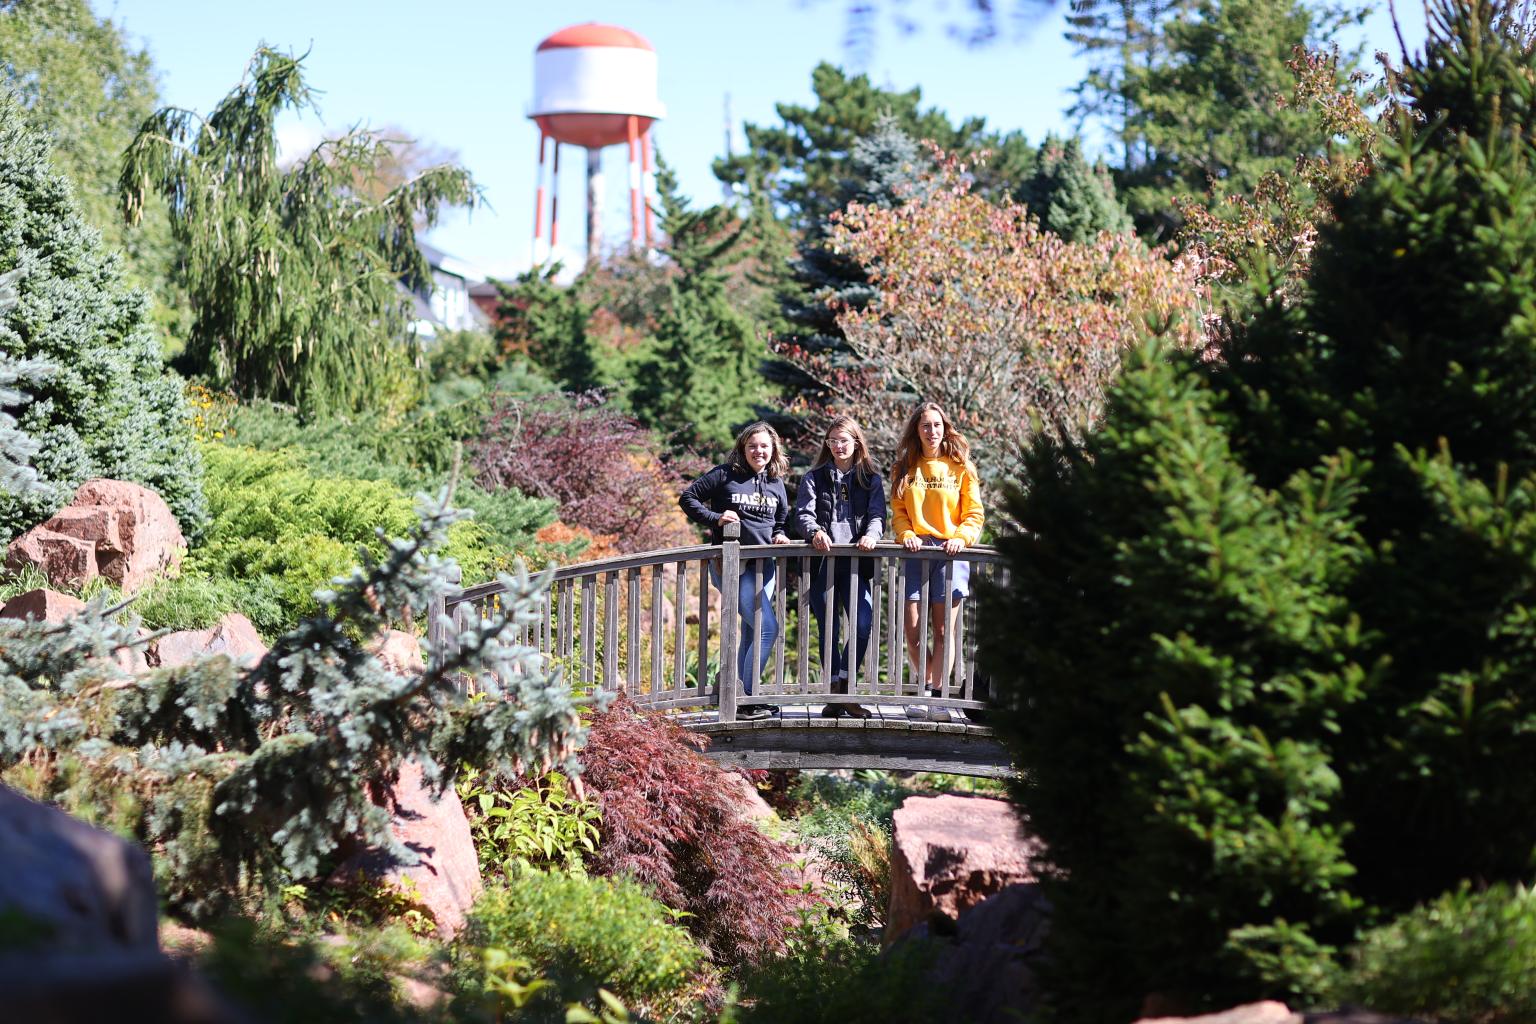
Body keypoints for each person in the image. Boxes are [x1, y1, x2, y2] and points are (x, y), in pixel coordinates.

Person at [679, 422, 792, 720]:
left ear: (773, 449)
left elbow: (781, 519)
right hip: (734, 566)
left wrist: (780, 534)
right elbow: (687, 498)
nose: (759, 451)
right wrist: (716, 517)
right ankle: (748, 700)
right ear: (743, 448)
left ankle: (740, 697)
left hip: (765, 567)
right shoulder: (725, 474)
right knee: (768, 627)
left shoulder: (775, 481)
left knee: (753, 630)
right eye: (753, 446)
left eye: (765, 446)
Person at [890, 402, 984, 723]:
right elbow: (899, 513)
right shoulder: (905, 467)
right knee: (913, 632)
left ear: (945, 429)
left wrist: (962, 537)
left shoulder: (961, 468)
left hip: (950, 552)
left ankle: (939, 697)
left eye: (937, 425)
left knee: (944, 631)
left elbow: (974, 513)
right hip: (916, 552)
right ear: (917, 430)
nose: (932, 431)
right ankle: (926, 688)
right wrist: (905, 535)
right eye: (926, 426)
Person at [794, 416, 886, 719]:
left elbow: (877, 516)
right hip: (824, 562)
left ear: (856, 442)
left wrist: (872, 536)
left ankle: (845, 685)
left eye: (843, 440)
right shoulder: (814, 477)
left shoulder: (870, 478)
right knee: (828, 628)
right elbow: (803, 514)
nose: (838, 446)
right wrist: (814, 532)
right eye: (832, 440)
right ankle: (836, 690)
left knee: (863, 623)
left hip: (857, 562)